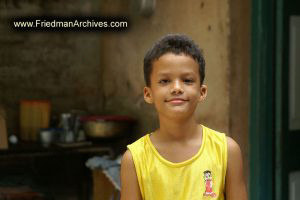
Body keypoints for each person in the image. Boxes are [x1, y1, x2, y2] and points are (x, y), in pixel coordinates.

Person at [120, 34, 247, 200]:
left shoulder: (227, 151)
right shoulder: (134, 160)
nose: (177, 88)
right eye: (165, 81)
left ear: (201, 92)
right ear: (148, 93)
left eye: (187, 80)